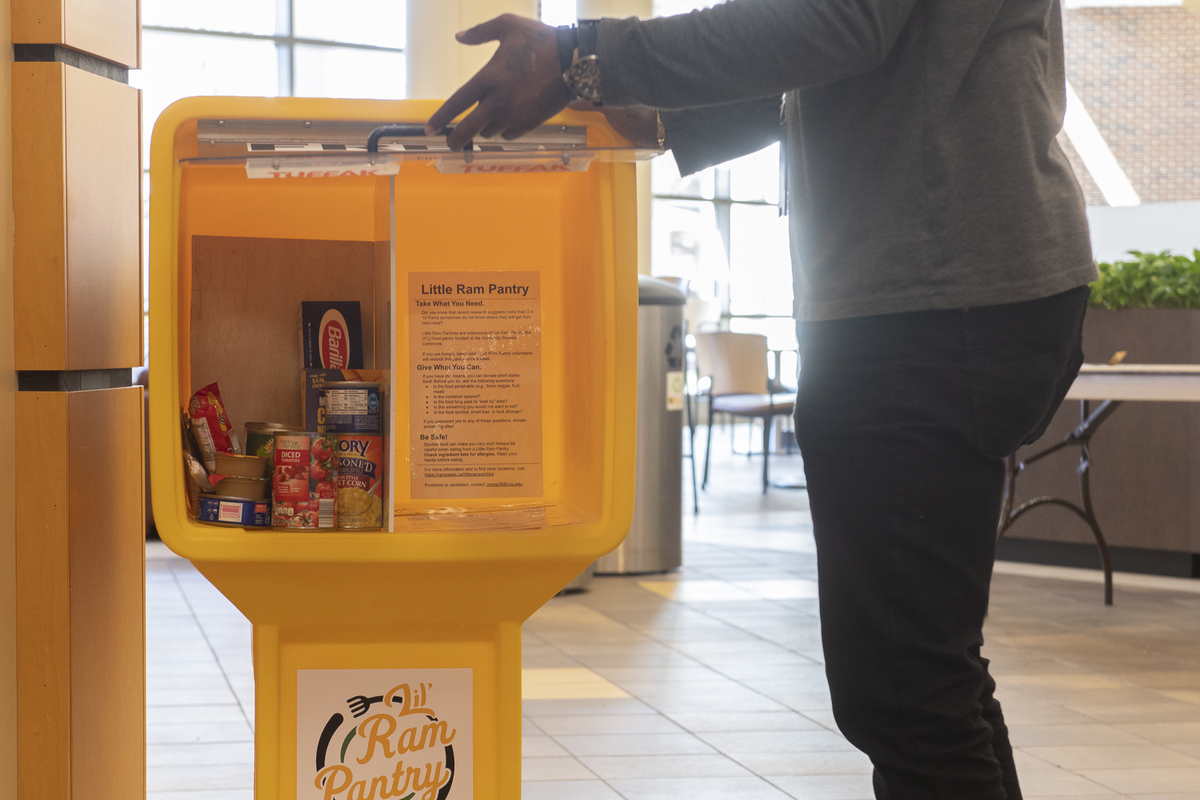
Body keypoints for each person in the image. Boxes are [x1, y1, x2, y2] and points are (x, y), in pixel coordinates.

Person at [427, 3, 1096, 798]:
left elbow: (839, 25)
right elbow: (854, 57)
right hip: (950, 286)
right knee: (929, 664)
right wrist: (659, 112)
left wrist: (583, 51)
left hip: (929, 295)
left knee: (904, 688)